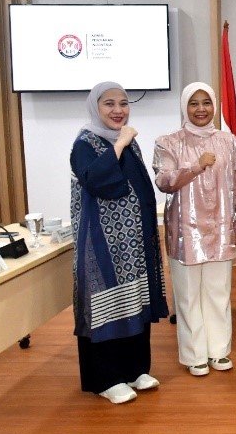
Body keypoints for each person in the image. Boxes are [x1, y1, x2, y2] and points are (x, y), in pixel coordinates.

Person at [70, 81, 169, 404]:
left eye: (123, 103)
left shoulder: (127, 141)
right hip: (102, 245)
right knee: (106, 306)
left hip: (133, 244)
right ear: (95, 107)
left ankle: (135, 369)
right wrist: (122, 141)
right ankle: (106, 379)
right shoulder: (86, 142)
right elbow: (96, 180)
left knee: (134, 301)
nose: (118, 110)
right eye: (109, 104)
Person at [153, 82, 236, 377]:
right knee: (188, 295)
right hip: (185, 230)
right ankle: (194, 355)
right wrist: (196, 166)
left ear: (214, 106)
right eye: (193, 103)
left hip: (221, 227)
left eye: (206, 102)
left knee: (218, 292)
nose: (200, 109)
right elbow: (164, 182)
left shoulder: (228, 141)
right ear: (184, 107)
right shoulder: (168, 142)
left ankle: (219, 351)